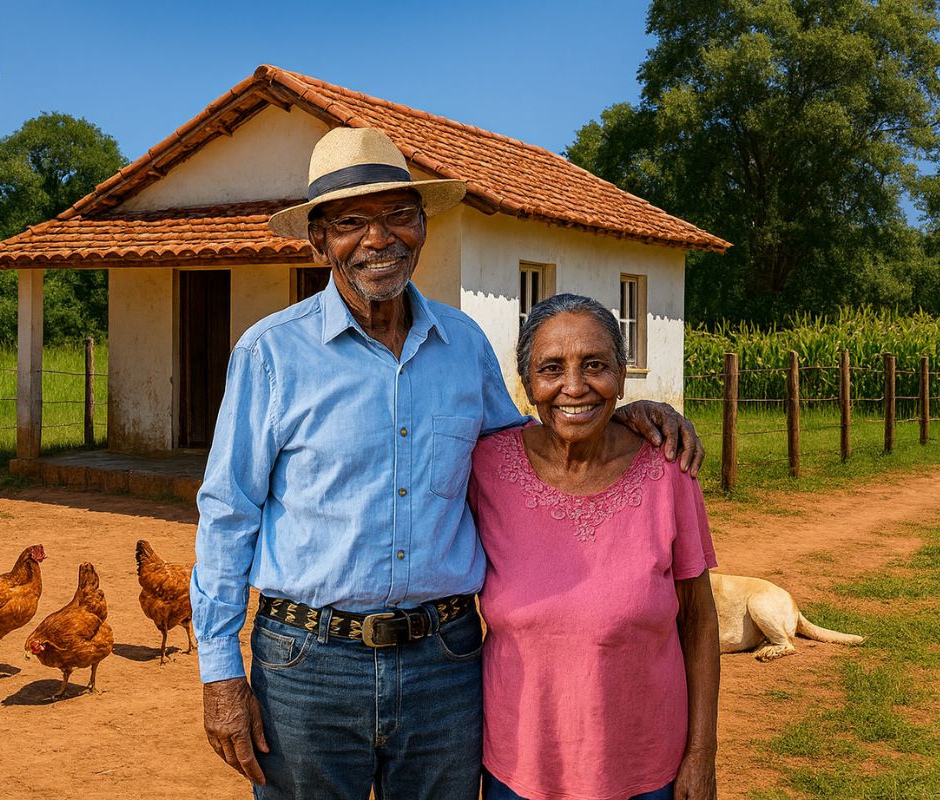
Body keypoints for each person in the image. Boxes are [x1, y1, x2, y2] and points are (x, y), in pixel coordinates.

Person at [190, 126, 705, 800]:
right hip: (308, 665)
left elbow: (526, 449)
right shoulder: (270, 355)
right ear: (318, 241)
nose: (379, 239)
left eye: (399, 215)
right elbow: (228, 512)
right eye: (351, 223)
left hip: (445, 663)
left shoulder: (462, 344)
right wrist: (221, 671)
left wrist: (625, 414)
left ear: (423, 225)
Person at [468, 294, 720, 800]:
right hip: (519, 771)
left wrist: (700, 756)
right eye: (552, 368)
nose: (575, 387)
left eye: (596, 365)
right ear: (528, 384)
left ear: (623, 377)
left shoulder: (668, 469)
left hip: (648, 769)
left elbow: (698, 622)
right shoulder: (485, 468)